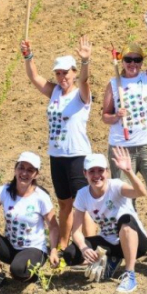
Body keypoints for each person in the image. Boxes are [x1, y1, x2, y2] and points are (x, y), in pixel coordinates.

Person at [20, 35, 95, 247]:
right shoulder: (54, 91)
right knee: (64, 203)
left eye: (66, 73)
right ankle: (63, 244)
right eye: (59, 73)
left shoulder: (81, 94)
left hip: (77, 156)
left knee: (83, 204)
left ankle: (91, 247)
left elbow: (85, 80)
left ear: (73, 73)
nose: (62, 77)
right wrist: (28, 55)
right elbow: (34, 77)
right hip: (57, 156)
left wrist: (85, 61)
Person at [102, 34, 147, 254]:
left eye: (137, 60)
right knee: (124, 197)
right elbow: (105, 115)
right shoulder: (113, 84)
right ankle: (131, 244)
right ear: (121, 61)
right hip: (122, 147)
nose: (132, 64)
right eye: (128, 59)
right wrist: (116, 116)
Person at [62, 149, 147, 293]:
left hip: (136, 242)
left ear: (107, 172)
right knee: (70, 254)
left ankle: (130, 274)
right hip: (109, 241)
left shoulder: (115, 185)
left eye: (100, 171)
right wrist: (84, 248)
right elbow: (76, 232)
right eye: (92, 171)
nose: (97, 176)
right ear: (85, 173)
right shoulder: (83, 194)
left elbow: (141, 193)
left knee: (125, 220)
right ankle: (111, 259)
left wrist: (128, 171)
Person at [0, 152, 61, 293]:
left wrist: (54, 249)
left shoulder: (41, 197)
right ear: (15, 169)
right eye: (21, 168)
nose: (24, 173)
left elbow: (54, 227)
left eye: (30, 170)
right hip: (11, 246)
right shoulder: (5, 191)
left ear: (36, 174)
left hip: (34, 248)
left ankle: (30, 271)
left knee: (18, 271)